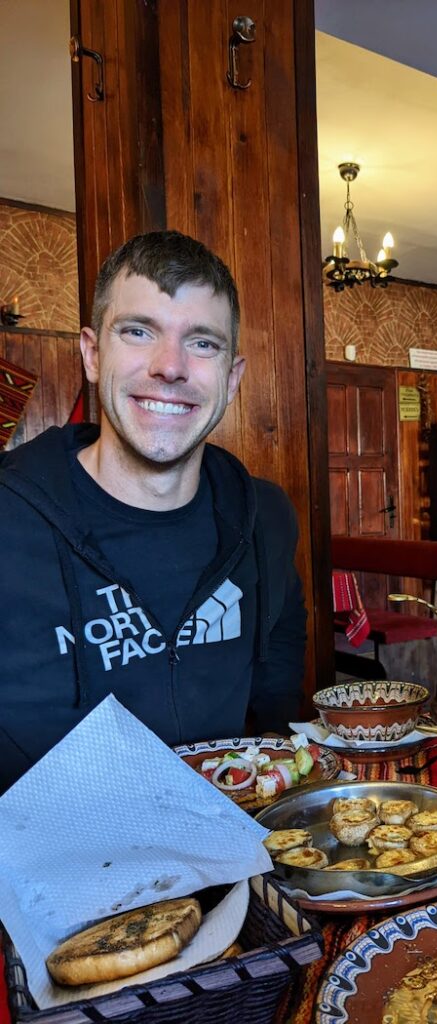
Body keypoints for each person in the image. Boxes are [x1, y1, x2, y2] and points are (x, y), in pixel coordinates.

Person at [0, 230, 307, 791]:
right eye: (138, 332)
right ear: (93, 354)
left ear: (232, 379)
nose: (171, 366)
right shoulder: (8, 520)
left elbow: (277, 712)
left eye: (203, 343)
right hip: (53, 872)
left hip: (232, 865)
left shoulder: (265, 517)